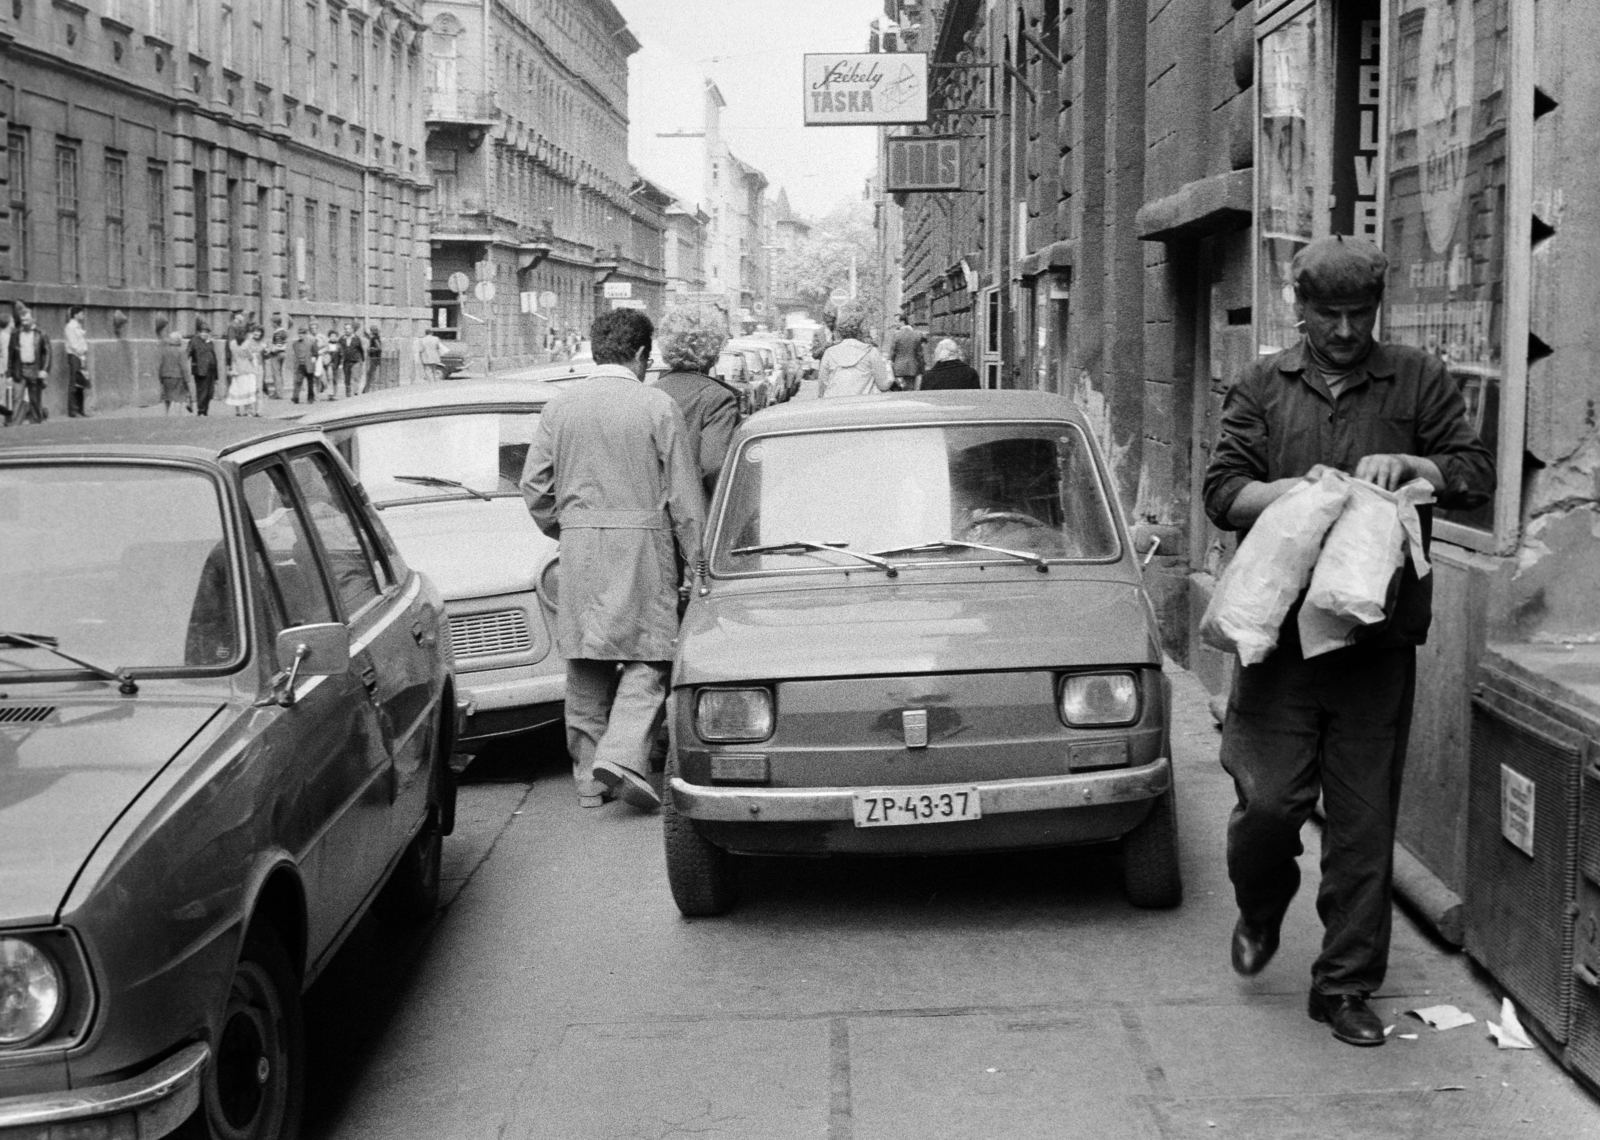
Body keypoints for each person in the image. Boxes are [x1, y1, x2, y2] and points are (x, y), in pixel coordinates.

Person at [1202, 236, 1496, 1048]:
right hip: (1280, 649)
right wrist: (1295, 495)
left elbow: (1474, 471)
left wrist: (1414, 464)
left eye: (1357, 314)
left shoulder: (1416, 378)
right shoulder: (1264, 385)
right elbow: (1221, 492)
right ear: (1298, 307)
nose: (1341, 330)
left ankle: (1343, 987)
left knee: (1364, 826)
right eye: (1326, 314)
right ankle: (1261, 909)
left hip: (1375, 645)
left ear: (1377, 310)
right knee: (1267, 809)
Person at [519, 309, 705, 811]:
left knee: (586, 656)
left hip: (579, 545)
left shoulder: (560, 408)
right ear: (643, 354)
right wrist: (700, 563)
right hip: (643, 546)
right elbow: (685, 500)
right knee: (652, 653)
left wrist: (567, 528)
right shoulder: (656, 406)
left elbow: (535, 486)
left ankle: (587, 777)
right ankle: (622, 754)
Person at [653, 306, 740, 500]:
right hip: (699, 512)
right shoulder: (717, 398)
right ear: (714, 349)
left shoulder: (650, 393)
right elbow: (714, 465)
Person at [818, 308, 893, 398]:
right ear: (860, 331)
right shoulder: (871, 352)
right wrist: (889, 369)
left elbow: (823, 383)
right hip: (863, 405)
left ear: (840, 331)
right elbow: (883, 385)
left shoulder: (829, 353)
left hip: (834, 404)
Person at [10, 308, 52, 424]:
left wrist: (45, 369)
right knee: (17, 398)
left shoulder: (41, 334)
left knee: (35, 399)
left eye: (27, 320)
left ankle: (36, 422)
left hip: (34, 368)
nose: (25, 322)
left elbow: (48, 352)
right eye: (23, 320)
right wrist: (10, 373)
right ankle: (15, 423)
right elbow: (11, 354)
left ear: (33, 319)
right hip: (20, 369)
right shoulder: (16, 333)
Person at [156, 319, 193, 414]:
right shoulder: (181, 351)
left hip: (166, 377)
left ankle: (166, 413)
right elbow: (184, 366)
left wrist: (160, 377)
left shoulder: (165, 350)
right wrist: (187, 379)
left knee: (167, 396)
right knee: (179, 397)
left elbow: (160, 364)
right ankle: (178, 414)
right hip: (178, 377)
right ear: (179, 340)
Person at [226, 325, 265, 416]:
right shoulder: (248, 342)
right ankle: (249, 411)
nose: (256, 333)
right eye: (254, 331)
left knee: (257, 389)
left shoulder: (261, 341)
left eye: (259, 331)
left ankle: (257, 411)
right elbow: (250, 355)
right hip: (249, 369)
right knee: (249, 390)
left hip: (255, 367)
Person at [887, 312, 926, 391]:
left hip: (899, 369)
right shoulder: (917, 335)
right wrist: (922, 369)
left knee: (899, 390)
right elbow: (919, 355)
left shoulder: (896, 335)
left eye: (897, 322)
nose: (895, 324)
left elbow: (892, 353)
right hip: (912, 368)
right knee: (910, 390)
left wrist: (891, 364)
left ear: (902, 322)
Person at [188, 320, 219, 416]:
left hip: (211, 371)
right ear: (198, 332)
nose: (204, 334)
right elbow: (187, 354)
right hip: (200, 371)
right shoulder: (193, 341)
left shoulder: (210, 343)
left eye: (206, 332)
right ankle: (201, 411)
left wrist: (216, 375)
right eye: (202, 332)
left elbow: (214, 357)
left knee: (210, 393)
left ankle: (205, 410)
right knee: (202, 392)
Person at [64, 305, 91, 417]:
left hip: (80, 356)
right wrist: (82, 353)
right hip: (75, 355)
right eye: (81, 313)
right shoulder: (70, 327)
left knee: (81, 383)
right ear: (75, 315)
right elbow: (74, 344)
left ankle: (80, 409)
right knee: (74, 383)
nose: (83, 316)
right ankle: (73, 410)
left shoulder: (77, 326)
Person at [290, 325, 318, 403]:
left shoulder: (311, 342)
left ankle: (310, 397)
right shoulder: (295, 343)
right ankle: (295, 397)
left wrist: (314, 359)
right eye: (299, 333)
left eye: (302, 333)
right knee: (298, 381)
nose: (300, 335)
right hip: (300, 365)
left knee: (310, 383)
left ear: (305, 334)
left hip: (309, 365)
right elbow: (295, 353)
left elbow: (315, 353)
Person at [337, 321, 365, 397]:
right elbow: (338, 349)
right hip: (346, 361)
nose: (347, 330)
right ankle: (348, 394)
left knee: (355, 377)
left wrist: (361, 360)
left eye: (349, 329)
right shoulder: (342, 339)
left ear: (352, 329)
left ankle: (355, 392)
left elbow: (361, 349)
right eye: (346, 329)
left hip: (356, 361)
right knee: (347, 379)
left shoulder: (356, 338)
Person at [265, 315, 289, 399]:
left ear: (275, 323)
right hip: (283, 354)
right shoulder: (284, 331)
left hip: (277, 354)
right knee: (280, 374)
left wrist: (269, 350)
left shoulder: (277, 333)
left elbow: (277, 346)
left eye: (272, 323)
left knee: (276, 374)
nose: (271, 324)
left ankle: (279, 394)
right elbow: (285, 344)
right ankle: (279, 391)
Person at [0, 306, 13, 425]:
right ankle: (4, 418)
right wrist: (7, 370)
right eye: (12, 321)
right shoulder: (5, 336)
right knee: (1, 396)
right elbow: (5, 354)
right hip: (1, 370)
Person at [365, 325, 384, 391]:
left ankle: (368, 388)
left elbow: (379, 347)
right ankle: (368, 387)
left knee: (371, 372)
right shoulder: (375, 337)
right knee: (371, 372)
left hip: (374, 357)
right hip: (374, 357)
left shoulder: (375, 338)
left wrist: (371, 349)